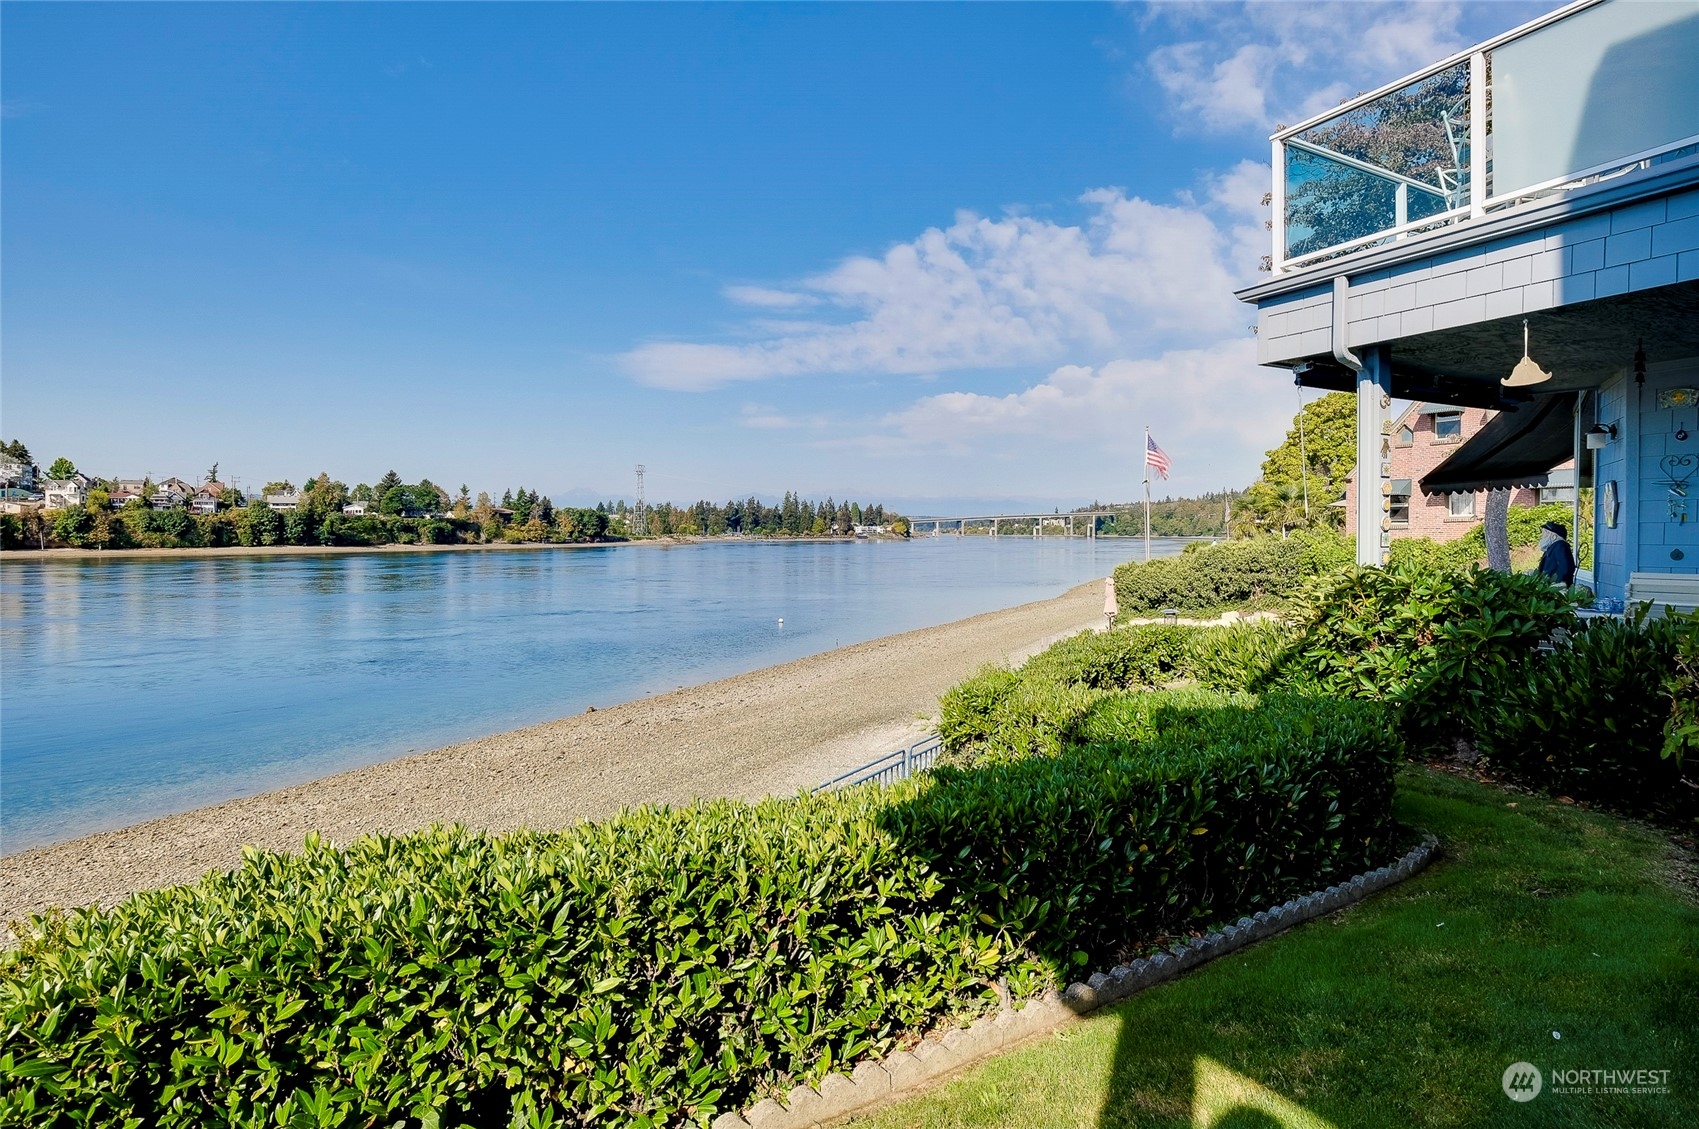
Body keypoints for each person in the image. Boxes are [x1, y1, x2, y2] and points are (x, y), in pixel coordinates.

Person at [1535, 519, 1576, 586]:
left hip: (1557, 588)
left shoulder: (1560, 546)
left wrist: (1558, 583)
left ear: (1554, 537)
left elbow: (1565, 567)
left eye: (1545, 534)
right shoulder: (1553, 547)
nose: (1542, 536)